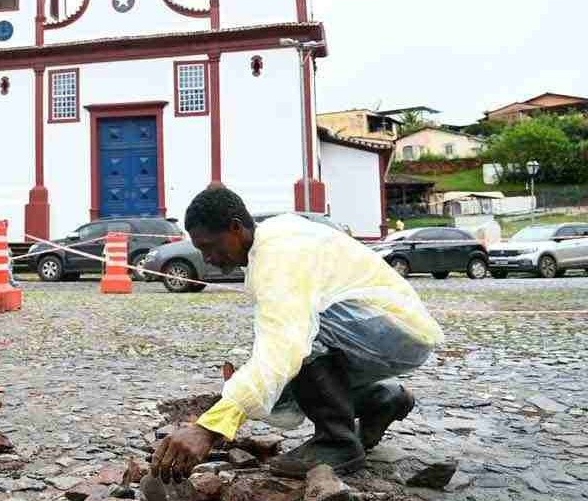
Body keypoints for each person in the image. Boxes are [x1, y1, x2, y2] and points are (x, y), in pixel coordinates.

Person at [151, 186, 443, 482]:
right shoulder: (270, 241)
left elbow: (283, 347)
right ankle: (381, 399)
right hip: (386, 332)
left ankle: (338, 443)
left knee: (293, 344)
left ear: (236, 228)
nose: (208, 258)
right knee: (270, 384)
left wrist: (209, 428)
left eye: (211, 246)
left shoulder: (278, 254)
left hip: (395, 330)